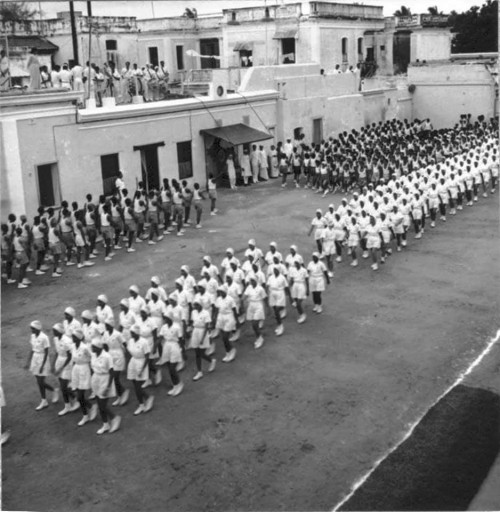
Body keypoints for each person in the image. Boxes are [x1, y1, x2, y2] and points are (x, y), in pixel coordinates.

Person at [90, 337, 121, 434]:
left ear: (99, 347)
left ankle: (114, 418)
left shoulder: (107, 356)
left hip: (105, 379)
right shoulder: (93, 355)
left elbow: (112, 372)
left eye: (93, 347)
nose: (92, 348)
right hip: (96, 379)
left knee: (102, 405)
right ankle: (105, 425)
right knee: (100, 404)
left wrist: (108, 386)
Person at [25, 320, 59, 410]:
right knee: (39, 381)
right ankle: (46, 398)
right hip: (35, 358)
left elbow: (46, 352)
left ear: (37, 329)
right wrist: (28, 361)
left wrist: (42, 366)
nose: (31, 330)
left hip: (42, 359)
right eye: (31, 328)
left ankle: (48, 395)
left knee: (40, 381)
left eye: (33, 329)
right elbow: (32, 349)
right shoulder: (32, 336)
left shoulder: (44, 337)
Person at [69, 328, 98, 426]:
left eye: (73, 337)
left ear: (78, 338)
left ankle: (85, 416)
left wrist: (93, 371)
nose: (72, 338)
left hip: (84, 370)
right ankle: (91, 406)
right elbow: (73, 359)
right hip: (76, 370)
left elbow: (92, 358)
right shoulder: (73, 346)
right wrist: (72, 370)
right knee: (77, 394)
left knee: (80, 395)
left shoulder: (85, 348)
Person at [125, 324, 154, 415]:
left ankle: (141, 405)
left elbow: (147, 357)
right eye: (131, 333)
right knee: (134, 383)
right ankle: (148, 397)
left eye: (133, 333)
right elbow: (129, 352)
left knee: (137, 386)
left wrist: (142, 369)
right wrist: (129, 364)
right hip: (133, 362)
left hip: (141, 363)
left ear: (137, 333)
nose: (131, 335)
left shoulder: (144, 342)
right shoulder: (130, 341)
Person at [51, 323, 79, 416]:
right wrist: (53, 364)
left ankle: (68, 406)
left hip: (67, 364)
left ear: (59, 332)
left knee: (63, 387)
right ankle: (75, 398)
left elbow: (70, 356)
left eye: (55, 331)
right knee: (63, 385)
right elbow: (56, 352)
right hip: (59, 361)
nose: (53, 332)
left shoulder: (67, 341)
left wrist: (61, 368)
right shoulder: (55, 339)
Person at [102, 318, 129, 407]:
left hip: (119, 356)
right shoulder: (105, 334)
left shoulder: (117, 334)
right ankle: (120, 395)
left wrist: (128, 355)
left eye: (107, 325)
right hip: (110, 356)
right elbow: (105, 345)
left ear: (111, 325)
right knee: (114, 378)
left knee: (115, 377)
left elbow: (125, 344)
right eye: (105, 325)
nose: (106, 327)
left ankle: (123, 391)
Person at [188, 301, 216, 380]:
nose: (195, 307)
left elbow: (207, 327)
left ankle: (211, 360)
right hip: (195, 332)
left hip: (203, 332)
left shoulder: (206, 313)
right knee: (197, 353)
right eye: (195, 305)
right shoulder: (193, 312)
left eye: (197, 305)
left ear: (201, 305)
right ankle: (199, 372)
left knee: (201, 353)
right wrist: (190, 329)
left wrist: (203, 338)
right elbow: (192, 322)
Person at [158, 315, 184, 395]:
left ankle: (179, 383)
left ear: (170, 319)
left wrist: (184, 351)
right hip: (166, 346)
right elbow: (161, 337)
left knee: (172, 368)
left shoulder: (177, 327)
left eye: (166, 318)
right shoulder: (164, 327)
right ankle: (175, 385)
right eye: (164, 319)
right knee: (169, 367)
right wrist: (155, 346)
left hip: (174, 346)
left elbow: (181, 339)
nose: (165, 320)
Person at [213, 286, 238, 362]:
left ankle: (232, 350)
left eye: (222, 291)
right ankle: (228, 352)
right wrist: (214, 318)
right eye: (219, 292)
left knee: (225, 337)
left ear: (225, 292)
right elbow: (216, 309)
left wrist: (236, 321)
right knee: (223, 337)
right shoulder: (218, 299)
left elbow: (234, 310)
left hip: (229, 317)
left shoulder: (230, 299)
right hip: (221, 317)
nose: (220, 293)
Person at [243, 275, 267, 348]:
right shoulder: (249, 287)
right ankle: (258, 337)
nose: (252, 282)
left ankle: (260, 338)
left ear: (256, 281)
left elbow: (265, 298)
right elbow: (245, 295)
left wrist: (267, 308)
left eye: (253, 280)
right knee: (253, 324)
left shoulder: (260, 289)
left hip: (258, 305)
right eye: (251, 280)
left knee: (254, 324)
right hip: (251, 305)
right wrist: (241, 301)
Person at [266, 266, 289, 336]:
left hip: (280, 294)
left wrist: (290, 297)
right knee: (275, 310)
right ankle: (278, 324)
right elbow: (267, 285)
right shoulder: (271, 277)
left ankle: (281, 326)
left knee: (276, 310)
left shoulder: (282, 278)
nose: (275, 271)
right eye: (274, 270)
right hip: (272, 294)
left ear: (279, 270)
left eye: (276, 270)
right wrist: (266, 293)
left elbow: (286, 287)